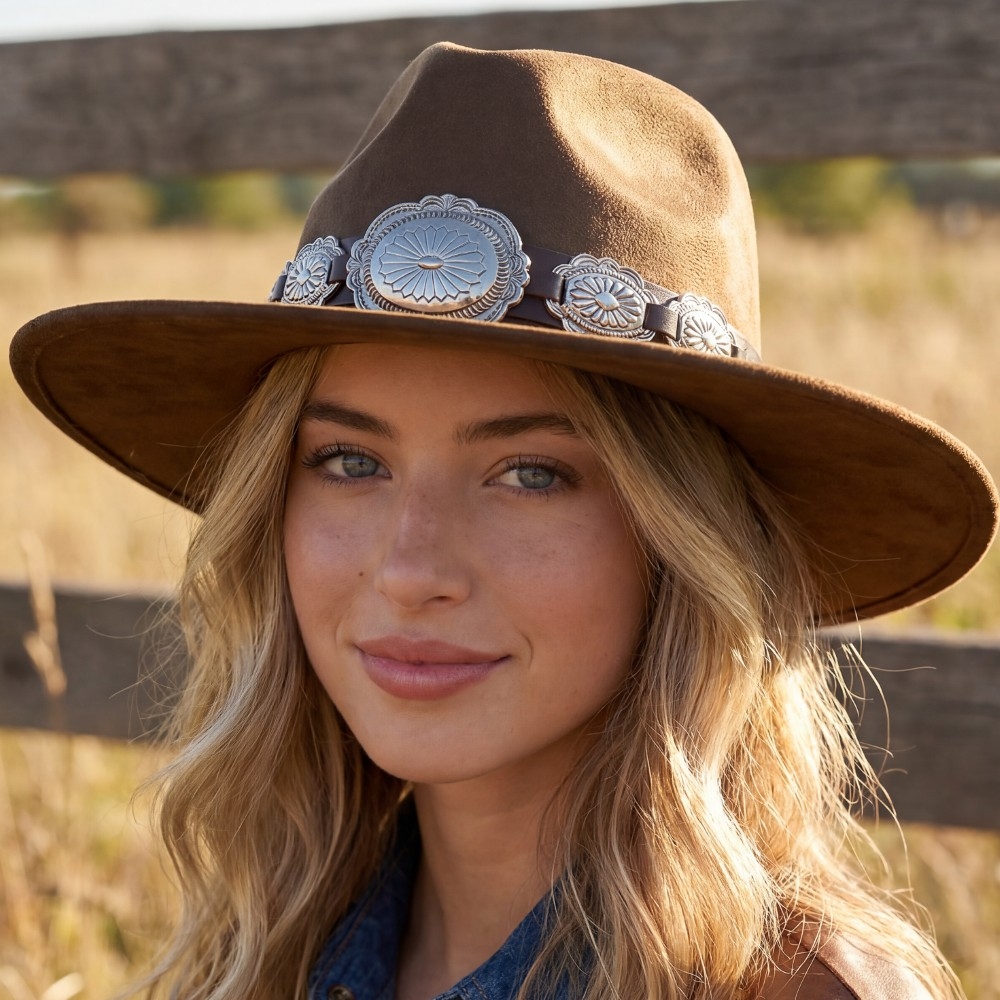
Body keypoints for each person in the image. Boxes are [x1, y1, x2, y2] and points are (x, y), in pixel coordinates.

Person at [10, 42, 997, 1000]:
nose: (410, 568)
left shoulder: (793, 994)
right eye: (350, 461)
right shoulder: (271, 935)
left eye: (529, 472)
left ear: (683, 540)